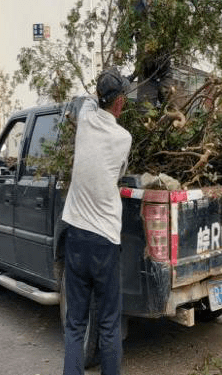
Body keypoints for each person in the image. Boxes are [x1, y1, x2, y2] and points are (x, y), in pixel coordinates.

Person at [61, 68, 133, 375]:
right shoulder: (124, 138)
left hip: (75, 235)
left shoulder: (85, 122)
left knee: (75, 324)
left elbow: (85, 101)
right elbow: (118, 174)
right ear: (118, 104)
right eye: (124, 98)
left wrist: (101, 90)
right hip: (105, 241)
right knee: (108, 324)